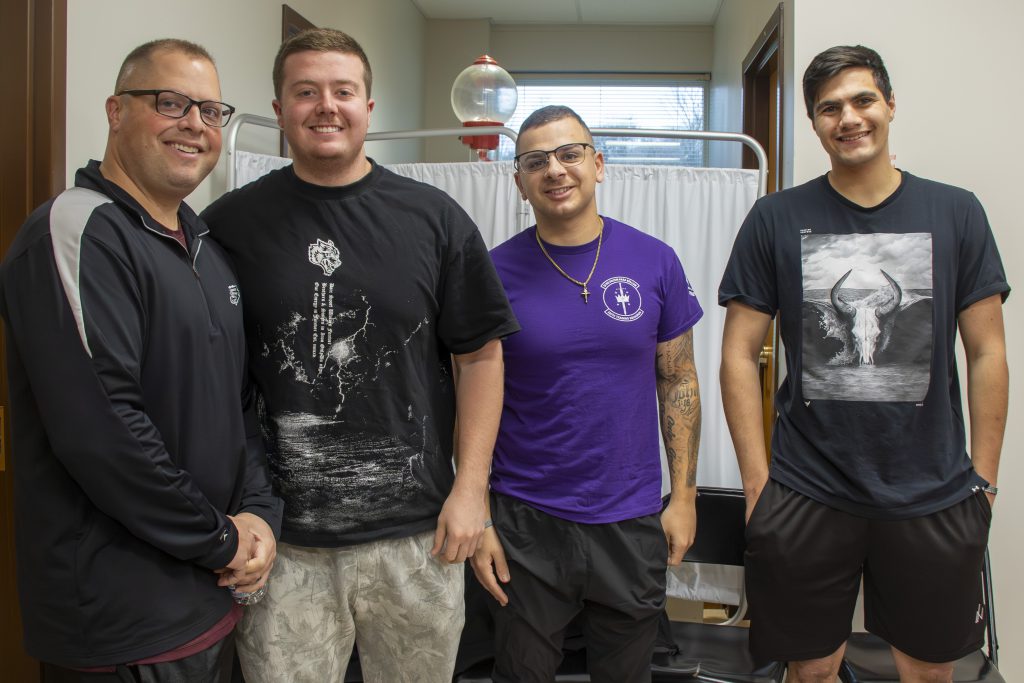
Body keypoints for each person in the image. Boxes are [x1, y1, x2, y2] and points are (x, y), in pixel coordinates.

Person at [201, 27, 519, 683]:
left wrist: (471, 487)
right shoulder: (229, 224)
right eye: (306, 92)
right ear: (281, 107)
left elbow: (479, 356)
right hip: (283, 541)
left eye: (343, 91)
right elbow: (212, 373)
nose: (327, 106)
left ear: (368, 107)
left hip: (417, 535)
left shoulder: (435, 220)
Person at [719, 45, 1009, 682]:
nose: (847, 118)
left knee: (929, 672)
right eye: (829, 108)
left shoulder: (956, 212)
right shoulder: (775, 218)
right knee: (812, 671)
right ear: (815, 122)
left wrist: (981, 482)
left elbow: (987, 350)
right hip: (807, 488)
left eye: (862, 100)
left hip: (932, 490)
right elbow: (738, 354)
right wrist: (758, 485)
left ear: (889, 106)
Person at [0, 39, 282, 681]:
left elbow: (239, 403)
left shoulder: (206, 248)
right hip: (119, 618)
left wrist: (260, 514)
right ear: (115, 111)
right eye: (170, 102)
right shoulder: (79, 231)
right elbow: (104, 432)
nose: (195, 125)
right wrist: (221, 539)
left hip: (210, 600)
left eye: (211, 111)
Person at [471, 105, 703, 683]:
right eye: (535, 160)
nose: (555, 169)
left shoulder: (655, 261)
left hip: (630, 518)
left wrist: (684, 497)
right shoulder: (491, 276)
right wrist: (481, 519)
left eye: (569, 153)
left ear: (598, 164)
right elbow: (468, 402)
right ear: (519, 182)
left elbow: (679, 380)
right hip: (526, 521)